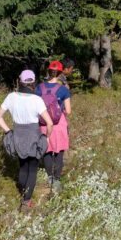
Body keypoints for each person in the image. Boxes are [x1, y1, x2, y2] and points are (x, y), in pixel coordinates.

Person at [0, 69, 53, 209]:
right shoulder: (37, 100)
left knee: (22, 165)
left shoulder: (11, 97)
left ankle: (23, 190)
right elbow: (49, 122)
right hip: (34, 135)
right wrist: (47, 137)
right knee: (32, 168)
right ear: (33, 82)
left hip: (18, 135)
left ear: (19, 81)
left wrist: (8, 131)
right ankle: (26, 201)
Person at [37, 61, 72, 193]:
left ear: (49, 71)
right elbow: (68, 111)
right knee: (59, 151)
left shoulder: (39, 88)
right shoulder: (63, 90)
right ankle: (56, 178)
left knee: (47, 149)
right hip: (59, 123)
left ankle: (49, 176)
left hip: (44, 122)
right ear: (60, 72)